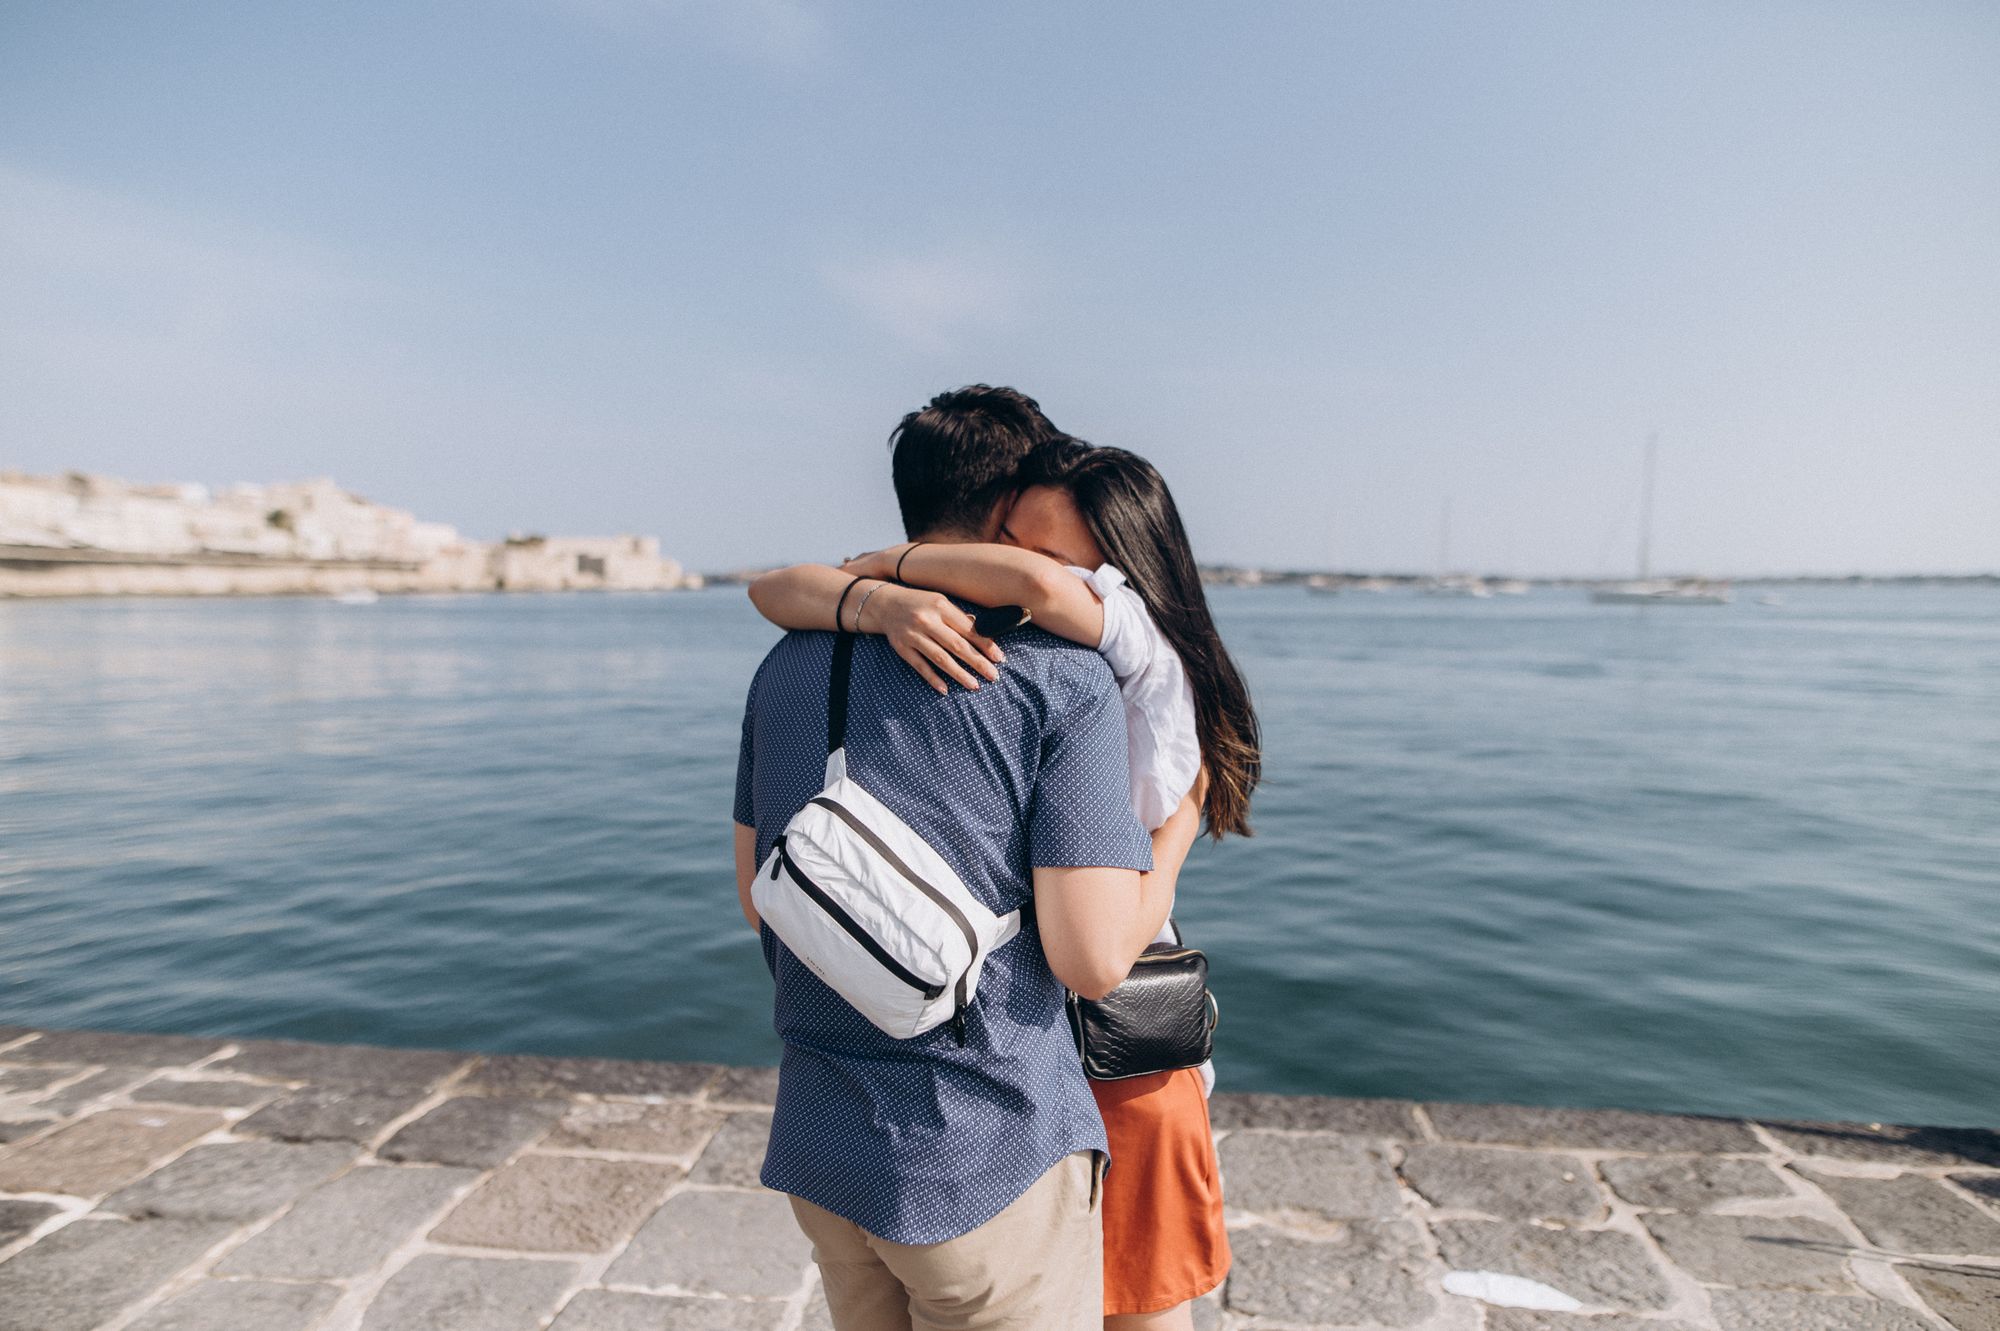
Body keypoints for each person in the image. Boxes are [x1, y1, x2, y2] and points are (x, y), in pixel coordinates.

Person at [753, 437, 1261, 1329]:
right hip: (1038, 1061)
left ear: (1120, 569)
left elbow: (1098, 958)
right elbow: (773, 587)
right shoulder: (1052, 665)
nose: (1012, 570)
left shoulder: (1118, 642)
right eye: (1010, 542)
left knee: (1141, 1302)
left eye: (1043, 553)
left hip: (1109, 1042)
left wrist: (886, 572)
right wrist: (876, 597)